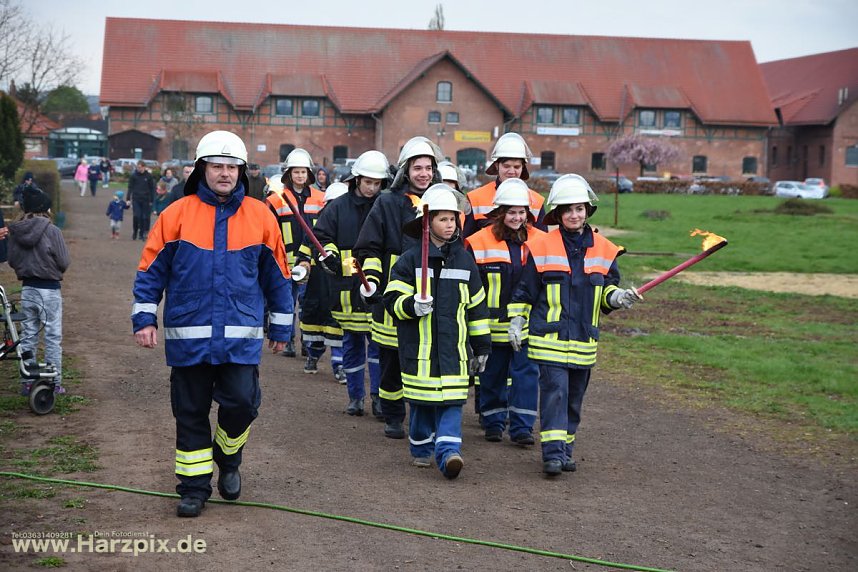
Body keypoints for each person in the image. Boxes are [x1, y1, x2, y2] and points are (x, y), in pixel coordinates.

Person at [132, 130, 294, 518]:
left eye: (231, 167)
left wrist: (283, 326)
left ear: (242, 172)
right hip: (189, 336)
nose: (224, 174)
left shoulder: (260, 216)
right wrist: (143, 317)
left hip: (240, 336)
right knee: (189, 412)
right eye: (217, 166)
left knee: (241, 402)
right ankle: (193, 488)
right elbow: (150, 271)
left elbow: (278, 276)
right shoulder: (176, 215)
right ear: (201, 169)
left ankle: (228, 453)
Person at [508, 174, 642, 476]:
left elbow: (606, 292)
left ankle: (566, 449)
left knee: (574, 401)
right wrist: (517, 321)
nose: (574, 215)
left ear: (587, 211)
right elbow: (526, 290)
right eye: (567, 210)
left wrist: (618, 298)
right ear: (557, 214)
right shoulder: (541, 246)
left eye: (579, 209)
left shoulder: (605, 250)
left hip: (584, 343)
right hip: (549, 340)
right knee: (555, 393)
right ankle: (552, 454)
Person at [383, 184, 491, 478]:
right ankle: (420, 448)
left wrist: (482, 347)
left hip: (454, 352)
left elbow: (477, 308)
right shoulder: (408, 261)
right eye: (442, 219)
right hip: (420, 352)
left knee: (453, 403)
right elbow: (391, 300)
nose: (449, 224)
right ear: (426, 222)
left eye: (453, 219)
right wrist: (411, 305)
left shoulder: (465, 261)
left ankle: (448, 454)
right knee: (422, 405)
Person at [354, 136, 445, 440]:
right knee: (392, 359)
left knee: (427, 359)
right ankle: (393, 414)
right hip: (394, 293)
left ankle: (425, 416)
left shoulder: (444, 199)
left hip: (433, 293)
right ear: (405, 170)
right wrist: (373, 283)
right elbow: (369, 247)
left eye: (428, 168)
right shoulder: (388, 202)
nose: (423, 173)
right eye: (417, 167)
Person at [465, 178, 545, 445]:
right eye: (511, 212)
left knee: (526, 375)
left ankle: (522, 428)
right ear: (499, 213)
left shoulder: (541, 241)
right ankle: (493, 422)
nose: (517, 217)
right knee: (492, 374)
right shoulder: (478, 242)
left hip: (526, 324)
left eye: (522, 212)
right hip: (491, 324)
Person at [311, 151, 390, 418]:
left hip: (377, 287)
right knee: (352, 344)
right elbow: (321, 236)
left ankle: (379, 397)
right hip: (345, 288)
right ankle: (355, 397)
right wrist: (330, 255)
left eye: (377, 183)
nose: (372, 188)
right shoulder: (337, 207)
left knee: (379, 347)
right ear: (357, 179)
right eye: (368, 182)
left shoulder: (388, 205)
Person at [7, 187, 70, 395]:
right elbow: (63, 261)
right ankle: (54, 381)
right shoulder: (52, 231)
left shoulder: (16, 231)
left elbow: (13, 260)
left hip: (28, 289)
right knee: (52, 336)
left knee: (28, 334)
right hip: (49, 289)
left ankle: (27, 380)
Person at [265, 148, 325, 361]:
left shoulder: (321, 198)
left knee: (309, 304)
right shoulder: (276, 199)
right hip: (285, 261)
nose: (300, 176)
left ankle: (307, 342)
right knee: (287, 303)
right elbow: (269, 231)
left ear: (310, 174)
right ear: (288, 174)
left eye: (303, 172)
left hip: (311, 262)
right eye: (296, 172)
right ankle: (288, 340)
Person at [293, 182, 348, 380]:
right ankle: (313, 356)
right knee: (315, 324)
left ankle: (339, 365)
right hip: (317, 286)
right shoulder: (315, 230)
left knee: (338, 328)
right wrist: (304, 265)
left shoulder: (350, 229)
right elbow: (304, 254)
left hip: (338, 286)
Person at [463, 133, 546, 237]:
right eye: (506, 166)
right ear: (497, 165)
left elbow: (542, 242)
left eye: (516, 167)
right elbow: (466, 240)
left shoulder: (537, 201)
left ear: (523, 167)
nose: (511, 171)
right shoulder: (475, 198)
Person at [126, 160, 156, 240]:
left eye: (140, 167)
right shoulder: (134, 176)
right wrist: (128, 198)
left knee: (144, 217)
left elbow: (152, 188)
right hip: (136, 199)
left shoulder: (149, 176)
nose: (139, 169)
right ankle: (135, 230)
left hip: (146, 199)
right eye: (137, 167)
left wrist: (152, 200)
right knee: (136, 216)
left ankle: (142, 233)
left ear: (144, 167)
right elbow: (130, 187)